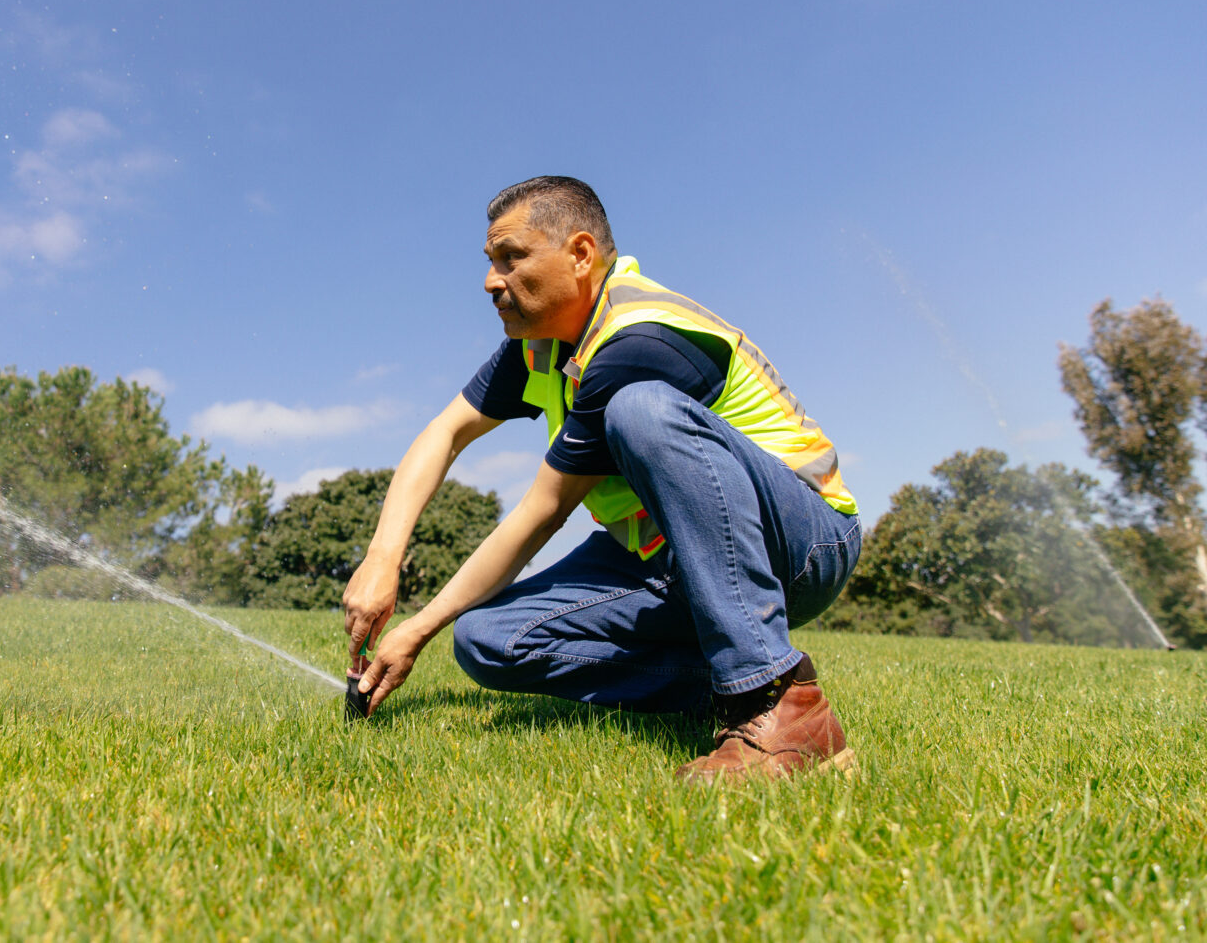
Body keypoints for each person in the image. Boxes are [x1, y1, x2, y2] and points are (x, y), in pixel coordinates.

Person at [342, 176, 863, 781]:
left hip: (802, 545)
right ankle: (727, 681)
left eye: (512, 257)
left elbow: (543, 510)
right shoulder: (542, 345)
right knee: (486, 638)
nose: (491, 280)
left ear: (581, 254)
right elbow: (446, 432)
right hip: (666, 558)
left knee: (642, 410)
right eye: (490, 261)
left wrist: (418, 626)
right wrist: (383, 558)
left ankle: (777, 704)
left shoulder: (637, 338)